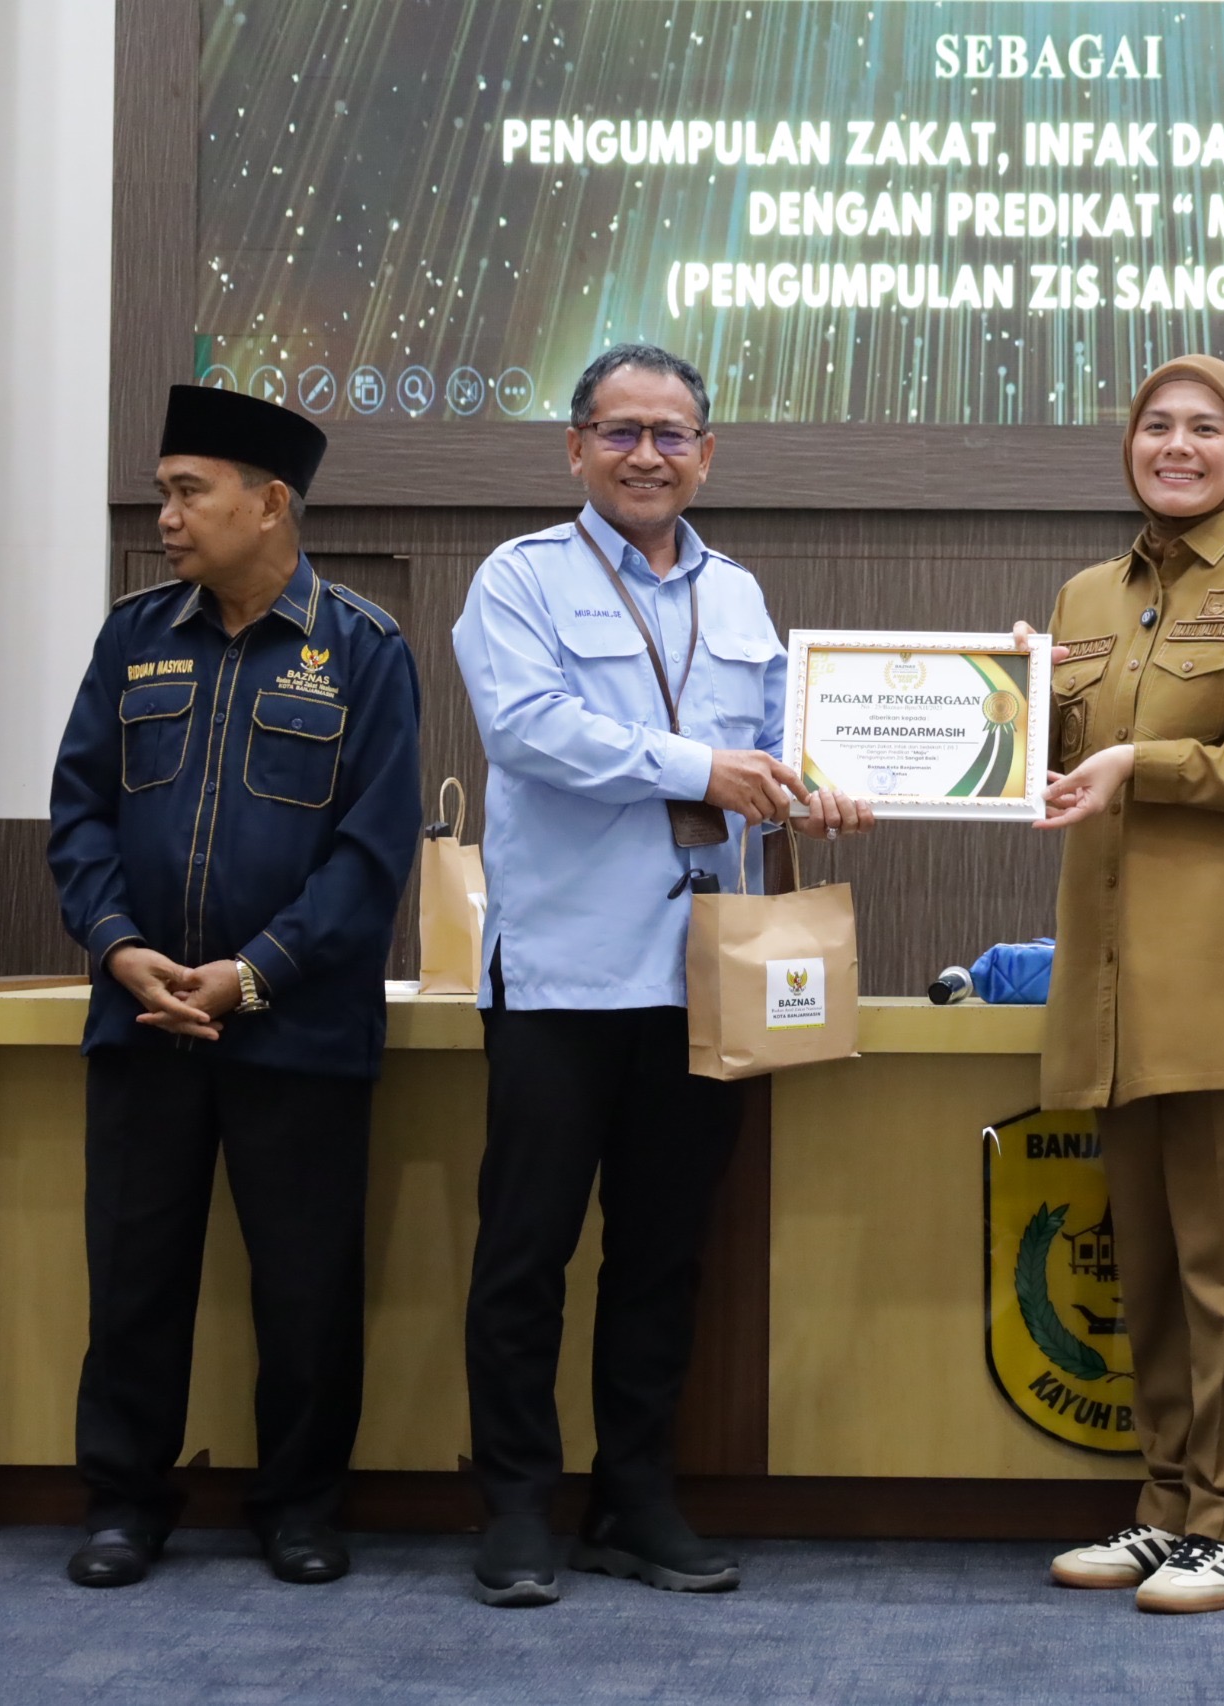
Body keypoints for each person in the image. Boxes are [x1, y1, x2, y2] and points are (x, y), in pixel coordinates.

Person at [452, 343, 873, 1608]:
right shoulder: (518, 577)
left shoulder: (737, 596)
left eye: (670, 433)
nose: (647, 454)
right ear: (575, 446)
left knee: (660, 1257)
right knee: (524, 1254)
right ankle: (515, 1506)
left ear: (706, 452)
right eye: (620, 431)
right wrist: (702, 769)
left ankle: (632, 1500)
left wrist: (841, 777)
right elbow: (527, 730)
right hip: (562, 977)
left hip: (701, 980)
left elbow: (793, 741)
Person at [47, 385, 422, 1588]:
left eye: (186, 491)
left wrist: (252, 974)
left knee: (306, 1286)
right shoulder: (132, 638)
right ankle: (124, 1502)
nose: (165, 515)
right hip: (142, 1017)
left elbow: (372, 853)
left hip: (298, 1027)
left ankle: (300, 1504)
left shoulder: (361, 647)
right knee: (134, 1277)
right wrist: (120, 947)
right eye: (162, 491)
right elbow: (79, 813)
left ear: (269, 504)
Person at [1021, 355, 1224, 1614]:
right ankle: (1167, 1506)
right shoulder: (1086, 594)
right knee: (1150, 1271)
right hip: (1115, 990)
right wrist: (1008, 703)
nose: (1175, 444)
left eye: (1204, 426)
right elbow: (1060, 770)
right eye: (1154, 424)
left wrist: (1139, 763)